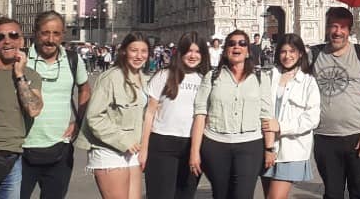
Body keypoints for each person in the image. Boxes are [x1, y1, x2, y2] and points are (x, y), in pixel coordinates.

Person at [189, 30, 273, 199]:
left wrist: (269, 148)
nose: (237, 46)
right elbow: (200, 114)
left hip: (250, 145)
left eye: (242, 43)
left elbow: (266, 114)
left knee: (243, 194)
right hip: (215, 145)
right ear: (225, 49)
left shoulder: (260, 77)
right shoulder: (212, 77)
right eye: (232, 43)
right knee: (220, 195)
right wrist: (194, 152)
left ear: (248, 50)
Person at [311, 7, 360, 199]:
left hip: (357, 137)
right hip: (324, 137)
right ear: (327, 28)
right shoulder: (314, 54)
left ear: (350, 30)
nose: (338, 31)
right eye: (334, 26)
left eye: (343, 27)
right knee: (332, 193)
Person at [20, 11, 90, 199]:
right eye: (45, 33)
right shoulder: (20, 59)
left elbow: (85, 89)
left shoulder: (73, 60)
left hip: (60, 149)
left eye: (56, 33)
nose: (51, 39)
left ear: (63, 34)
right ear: (35, 33)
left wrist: (78, 121)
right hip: (21, 148)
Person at [0, 18, 43, 199]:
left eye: (13, 35)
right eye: (0, 37)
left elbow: (34, 109)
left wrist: (19, 74)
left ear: (21, 40)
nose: (7, 41)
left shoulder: (31, 75)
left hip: (12, 162)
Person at [77, 32, 150, 199]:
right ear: (124, 51)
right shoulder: (111, 78)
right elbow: (94, 117)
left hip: (133, 151)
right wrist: (123, 140)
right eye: (134, 50)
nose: (139, 56)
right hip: (109, 150)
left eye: (143, 51)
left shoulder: (143, 79)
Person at [140, 32, 209, 199]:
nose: (193, 55)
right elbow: (149, 112)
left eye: (198, 51)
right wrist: (143, 148)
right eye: (188, 51)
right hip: (162, 142)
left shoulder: (206, 79)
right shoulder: (164, 75)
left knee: (185, 195)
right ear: (180, 53)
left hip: (192, 145)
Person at [260, 33, 321, 199]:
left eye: (292, 51)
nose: (287, 56)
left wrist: (281, 126)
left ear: (301, 53)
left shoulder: (308, 82)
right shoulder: (267, 77)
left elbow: (312, 118)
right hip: (266, 147)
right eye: (283, 51)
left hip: (291, 150)